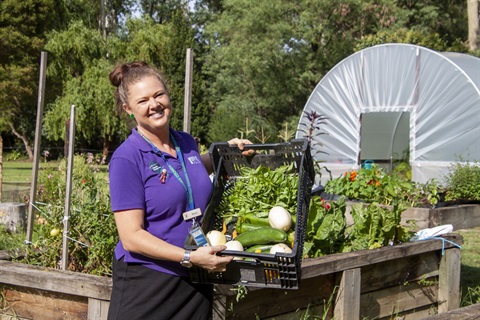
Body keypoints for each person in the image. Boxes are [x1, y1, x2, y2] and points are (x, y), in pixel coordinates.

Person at [107, 61, 252, 320]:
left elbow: (190, 169)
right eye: (143, 101)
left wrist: (225, 152)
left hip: (195, 280)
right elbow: (131, 237)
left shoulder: (184, 142)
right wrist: (189, 256)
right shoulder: (127, 159)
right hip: (149, 284)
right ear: (128, 109)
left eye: (159, 94)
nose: (154, 104)